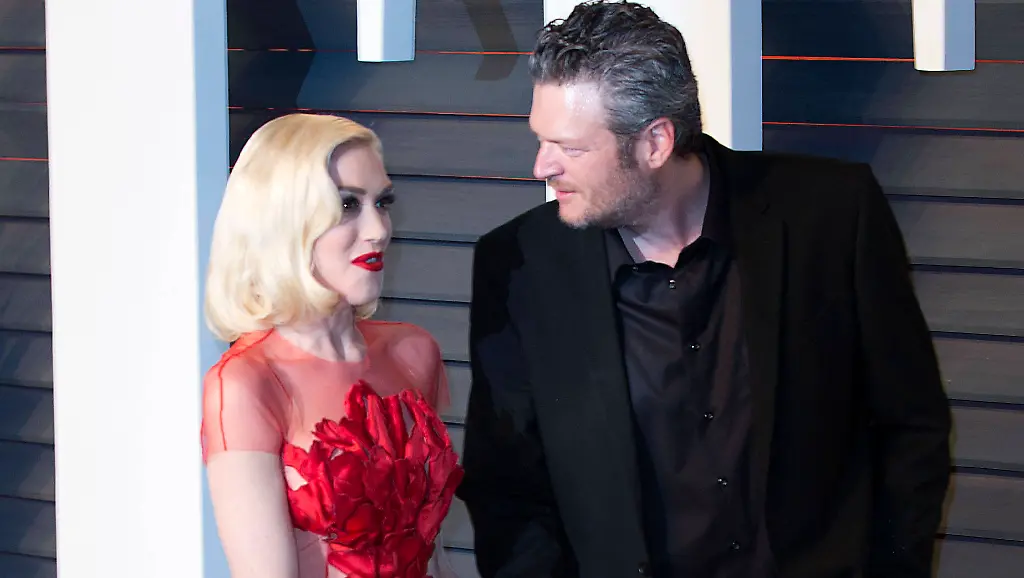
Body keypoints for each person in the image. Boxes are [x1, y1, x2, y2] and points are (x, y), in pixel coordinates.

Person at [456, 2, 952, 577]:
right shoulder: (519, 264)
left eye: (571, 148)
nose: (543, 166)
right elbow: (508, 489)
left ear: (655, 142)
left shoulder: (832, 215)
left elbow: (910, 425)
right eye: (541, 140)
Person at [201, 113, 463, 578]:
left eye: (382, 202)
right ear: (283, 220)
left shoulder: (413, 351)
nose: (378, 229)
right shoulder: (247, 383)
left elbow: (431, 549)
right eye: (346, 205)